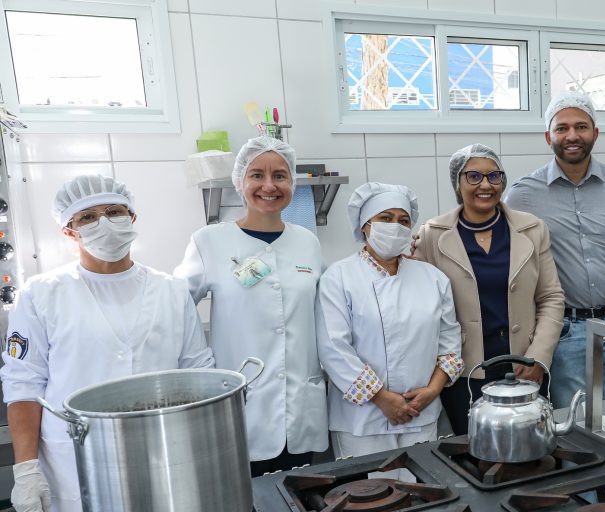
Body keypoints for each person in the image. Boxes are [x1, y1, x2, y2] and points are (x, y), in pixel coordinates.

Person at [1, 175, 214, 512]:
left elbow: (197, 373)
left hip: (162, 459)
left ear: (132, 216)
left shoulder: (171, 291)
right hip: (74, 468)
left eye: (114, 212)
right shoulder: (41, 294)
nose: (104, 222)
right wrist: (26, 468)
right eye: (88, 217)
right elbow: (23, 386)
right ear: (69, 230)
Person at [175, 137, 329, 477]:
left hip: (300, 406)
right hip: (241, 405)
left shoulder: (308, 242)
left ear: (292, 183)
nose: (269, 186)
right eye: (257, 175)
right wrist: (201, 372)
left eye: (280, 175)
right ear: (240, 182)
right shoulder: (209, 241)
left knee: (301, 505)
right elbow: (175, 310)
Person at [504, 91, 605, 409]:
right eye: (562, 128)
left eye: (581, 127)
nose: (572, 136)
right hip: (563, 331)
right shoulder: (523, 194)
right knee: (574, 423)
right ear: (548, 136)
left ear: (595, 133)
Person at [415, 144, 564, 435]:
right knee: (474, 452)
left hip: (524, 364)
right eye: (473, 176)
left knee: (531, 447)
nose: (485, 185)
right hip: (465, 370)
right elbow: (418, 301)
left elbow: (551, 297)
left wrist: (539, 358)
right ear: (457, 183)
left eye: (494, 176)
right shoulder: (433, 235)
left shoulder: (532, 229)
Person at [317, 183, 463, 456]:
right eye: (385, 218)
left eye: (403, 220)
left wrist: (432, 390)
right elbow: (334, 349)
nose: (395, 226)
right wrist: (383, 399)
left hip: (421, 414)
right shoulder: (338, 277)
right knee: (368, 495)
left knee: (426, 493)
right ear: (365, 225)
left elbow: (450, 343)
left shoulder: (432, 278)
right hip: (362, 421)